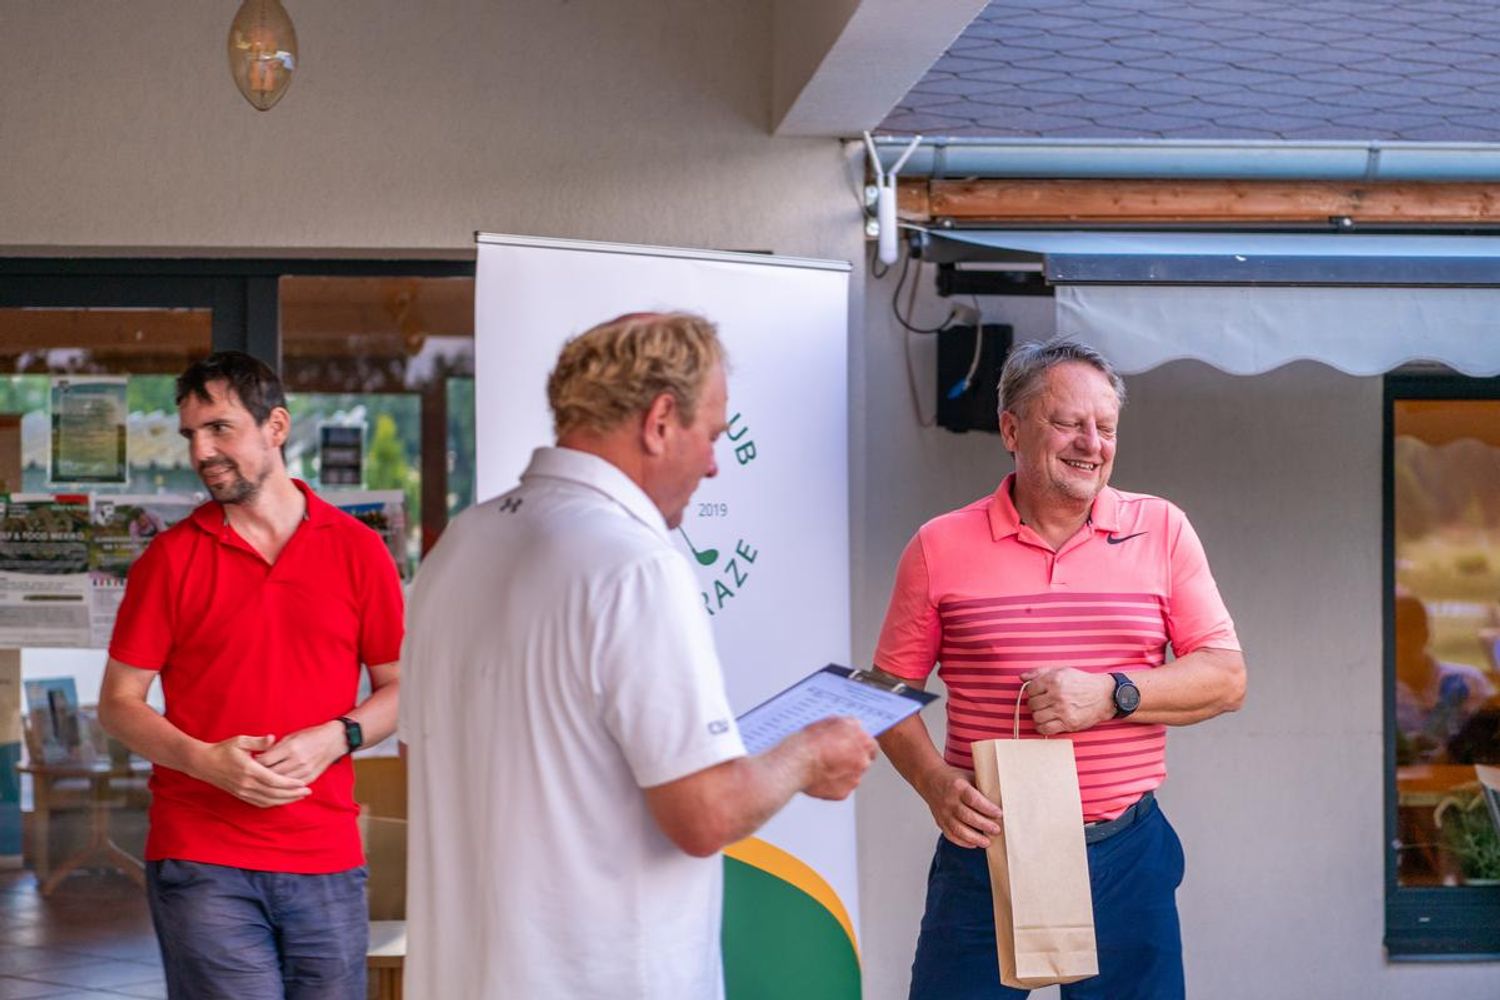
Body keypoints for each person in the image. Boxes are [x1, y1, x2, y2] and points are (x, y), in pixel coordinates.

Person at [400, 311, 876, 999]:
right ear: (659, 421)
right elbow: (704, 814)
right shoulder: (634, 565)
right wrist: (810, 754)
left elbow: (422, 760)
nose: (713, 463)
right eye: (710, 435)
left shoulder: (460, 545)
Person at [871, 339, 1246, 1000]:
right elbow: (886, 692)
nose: (1091, 444)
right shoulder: (939, 545)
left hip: (1126, 852)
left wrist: (1113, 694)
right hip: (988, 850)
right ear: (1011, 429)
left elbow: (1226, 678)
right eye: (1068, 423)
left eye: (1106, 428)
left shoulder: (1162, 529)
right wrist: (934, 783)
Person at [98, 351, 404, 1000]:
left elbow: (402, 688)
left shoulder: (359, 551)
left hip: (326, 853)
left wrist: (338, 736)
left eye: (220, 428)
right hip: (201, 856)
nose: (201, 451)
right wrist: (204, 761)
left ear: (276, 427)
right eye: (191, 434)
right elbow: (119, 703)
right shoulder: (169, 560)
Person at [1394, 592, 1496, 762]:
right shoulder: (1371, 691)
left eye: (1407, 631)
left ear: (1426, 634)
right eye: (1393, 634)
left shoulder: (1470, 682)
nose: (1400, 641)